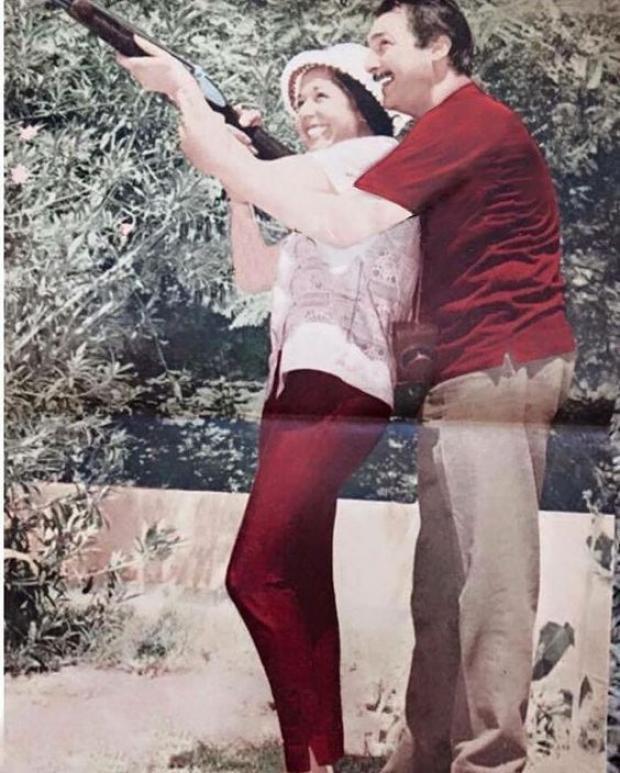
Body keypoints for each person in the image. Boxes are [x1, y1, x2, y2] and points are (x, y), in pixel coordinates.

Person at [120, 0, 576, 770]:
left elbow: (338, 221)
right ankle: (421, 757)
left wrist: (185, 94)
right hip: (459, 376)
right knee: (442, 588)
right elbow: (279, 240)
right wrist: (241, 169)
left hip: (500, 364)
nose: (374, 59)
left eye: (383, 43)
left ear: (439, 46)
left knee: (487, 585)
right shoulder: (427, 139)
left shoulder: (463, 124)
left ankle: (486, 762)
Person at [120, 41, 419, 773]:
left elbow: (237, 162)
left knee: (252, 575)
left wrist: (186, 93)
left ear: (363, 104)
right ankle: (325, 757)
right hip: (295, 393)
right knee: (304, 581)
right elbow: (254, 273)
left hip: (336, 387)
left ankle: (303, 760)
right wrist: (239, 186)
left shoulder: (375, 160)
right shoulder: (325, 196)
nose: (306, 111)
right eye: (299, 101)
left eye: (322, 95)